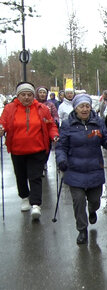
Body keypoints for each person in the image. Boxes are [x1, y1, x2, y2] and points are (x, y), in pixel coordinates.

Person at [55, 94, 107, 244]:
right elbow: (61, 146)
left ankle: (93, 210)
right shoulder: (67, 124)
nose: (85, 109)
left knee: (95, 200)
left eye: (87, 106)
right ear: (75, 108)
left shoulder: (98, 122)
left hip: (94, 168)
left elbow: (105, 137)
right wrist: (61, 160)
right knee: (79, 201)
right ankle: (82, 230)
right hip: (74, 170)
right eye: (81, 106)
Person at [0, 82, 59, 220]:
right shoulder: (9, 109)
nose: (26, 97)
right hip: (17, 150)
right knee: (20, 176)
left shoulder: (42, 108)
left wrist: (54, 135)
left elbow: (50, 125)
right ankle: (25, 197)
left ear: (34, 95)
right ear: (18, 96)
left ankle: (36, 205)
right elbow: (3, 123)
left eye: (29, 95)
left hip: (37, 149)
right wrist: (1, 129)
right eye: (23, 94)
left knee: (35, 176)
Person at [36, 86, 59, 177]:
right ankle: (39, 165)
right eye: (40, 92)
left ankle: (44, 162)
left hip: (48, 129)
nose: (42, 94)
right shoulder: (34, 103)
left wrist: (56, 121)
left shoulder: (50, 104)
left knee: (47, 148)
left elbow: (55, 115)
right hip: (37, 130)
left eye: (44, 93)